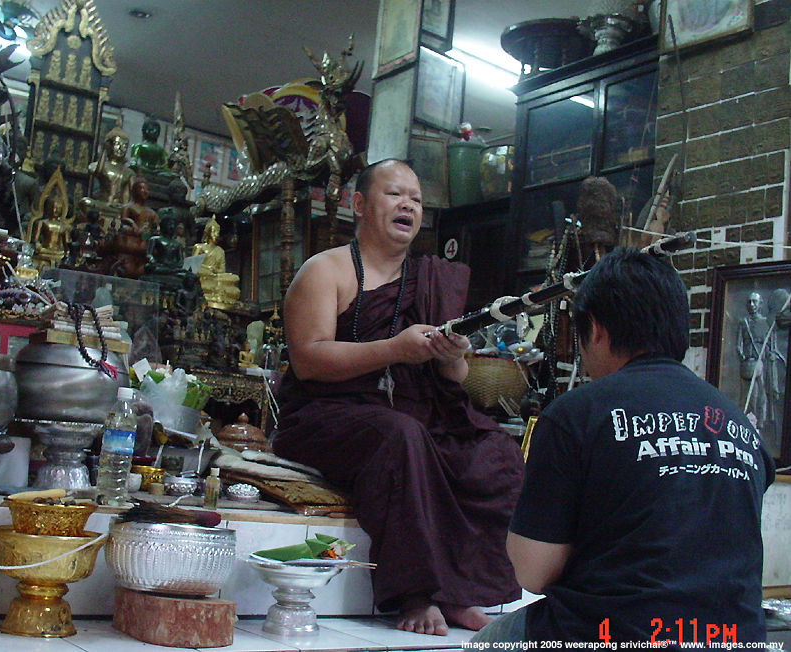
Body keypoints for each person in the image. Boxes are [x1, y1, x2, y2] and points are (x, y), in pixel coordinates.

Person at [272, 159, 524, 636]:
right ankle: (416, 594)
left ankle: (461, 592)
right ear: (359, 205)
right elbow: (307, 360)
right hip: (323, 417)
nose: (408, 204)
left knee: (495, 451)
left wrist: (451, 356)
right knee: (402, 436)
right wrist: (394, 349)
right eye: (394, 194)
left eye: (417, 199)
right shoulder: (325, 270)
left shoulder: (428, 280)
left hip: (410, 413)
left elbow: (456, 377)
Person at [472, 247, 775, 645]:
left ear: (595, 329)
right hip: (733, 638)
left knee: (487, 642)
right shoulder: (739, 425)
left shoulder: (575, 415)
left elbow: (533, 572)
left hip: (612, 633)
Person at [737, 291, 784, 451]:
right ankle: (747, 424)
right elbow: (739, 345)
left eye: (754, 302)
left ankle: (760, 424)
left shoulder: (766, 323)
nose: (751, 305)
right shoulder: (744, 323)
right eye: (749, 302)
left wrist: (771, 355)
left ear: (760, 304)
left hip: (762, 365)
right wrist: (744, 356)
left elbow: (772, 347)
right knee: (747, 396)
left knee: (761, 396)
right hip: (748, 364)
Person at [192, 216, 240, 308]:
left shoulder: (220, 251)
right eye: (214, 232)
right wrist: (208, 269)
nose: (216, 235)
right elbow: (193, 267)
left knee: (234, 277)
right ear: (208, 232)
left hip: (215, 277)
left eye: (218, 232)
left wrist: (215, 271)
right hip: (203, 276)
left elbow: (222, 270)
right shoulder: (199, 247)